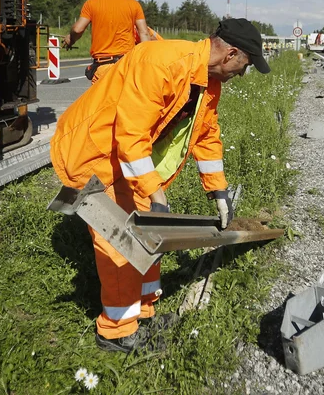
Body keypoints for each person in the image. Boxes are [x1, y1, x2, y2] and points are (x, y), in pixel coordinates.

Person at [50, 18, 271, 353]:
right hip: (91, 153)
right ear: (231, 55)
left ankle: (144, 314)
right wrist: (156, 192)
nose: (243, 73)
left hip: (123, 160)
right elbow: (131, 134)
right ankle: (117, 331)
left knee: (150, 233)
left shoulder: (208, 82)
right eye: (245, 65)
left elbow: (207, 135)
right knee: (121, 244)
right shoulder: (162, 64)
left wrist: (219, 191)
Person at [62, 0, 151, 84]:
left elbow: (78, 29)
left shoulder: (91, 3)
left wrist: (71, 38)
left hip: (102, 66)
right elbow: (144, 33)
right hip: (125, 66)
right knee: (125, 100)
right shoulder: (133, 4)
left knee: (101, 101)